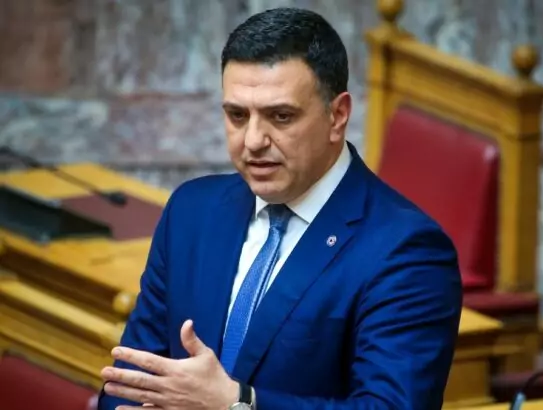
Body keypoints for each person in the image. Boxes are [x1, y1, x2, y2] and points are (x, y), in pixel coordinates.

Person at [98, 7, 462, 410]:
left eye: (281, 116)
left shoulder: (406, 251)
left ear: (337, 116)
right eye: (238, 115)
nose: (253, 140)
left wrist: (238, 404)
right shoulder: (191, 212)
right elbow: (130, 381)